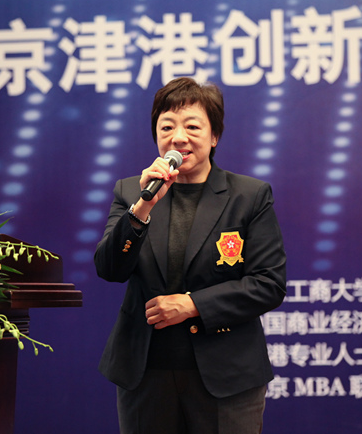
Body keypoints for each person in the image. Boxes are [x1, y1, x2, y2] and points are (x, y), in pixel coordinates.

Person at [94, 77, 287, 434]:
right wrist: (143, 207)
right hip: (146, 374)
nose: (178, 137)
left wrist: (192, 304)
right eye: (167, 127)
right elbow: (109, 268)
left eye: (192, 126)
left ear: (214, 136)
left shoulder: (249, 196)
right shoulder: (133, 192)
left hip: (227, 376)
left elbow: (268, 284)